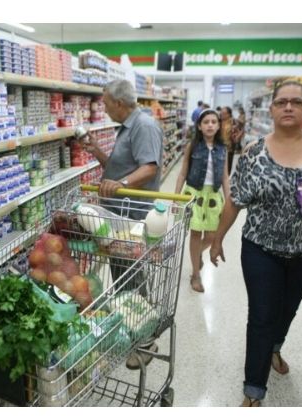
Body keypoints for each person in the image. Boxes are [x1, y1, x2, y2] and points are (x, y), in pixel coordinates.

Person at [209, 81, 302, 407]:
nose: (288, 107)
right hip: (260, 248)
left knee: (288, 309)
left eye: (296, 102)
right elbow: (235, 200)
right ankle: (253, 390)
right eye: (281, 102)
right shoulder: (253, 152)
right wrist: (217, 238)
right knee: (262, 315)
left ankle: (275, 347)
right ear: (273, 108)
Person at [83, 78, 163, 370]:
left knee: (131, 277)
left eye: (105, 103)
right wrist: (96, 152)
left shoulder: (144, 125)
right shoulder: (127, 127)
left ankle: (146, 340)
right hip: (118, 214)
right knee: (124, 276)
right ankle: (134, 328)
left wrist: (123, 184)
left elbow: (149, 167)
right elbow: (119, 170)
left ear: (119, 102)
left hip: (132, 215)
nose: (103, 108)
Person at [174, 109, 229, 293]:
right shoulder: (193, 146)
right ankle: (195, 275)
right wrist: (175, 198)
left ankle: (197, 254)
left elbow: (225, 177)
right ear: (199, 126)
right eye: (206, 122)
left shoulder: (223, 148)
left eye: (214, 122)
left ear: (219, 126)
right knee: (196, 234)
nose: (210, 125)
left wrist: (229, 201)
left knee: (212, 236)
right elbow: (183, 173)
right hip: (194, 194)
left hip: (213, 196)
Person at [219, 106, 235, 174]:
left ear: (229, 114)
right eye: (221, 113)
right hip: (218, 146)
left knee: (227, 166)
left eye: (223, 113)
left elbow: (237, 135)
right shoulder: (218, 121)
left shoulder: (233, 123)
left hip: (228, 148)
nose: (221, 114)